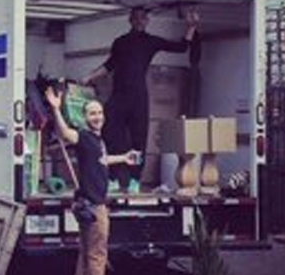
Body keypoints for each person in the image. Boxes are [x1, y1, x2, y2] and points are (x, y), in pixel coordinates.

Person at [82, 7, 199, 193]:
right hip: (118, 96)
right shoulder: (120, 42)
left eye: (142, 18)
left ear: (146, 21)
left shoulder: (151, 42)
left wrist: (191, 27)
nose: (139, 21)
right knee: (110, 135)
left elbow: (182, 47)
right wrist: (90, 77)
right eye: (136, 18)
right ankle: (112, 178)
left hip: (138, 98)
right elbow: (109, 65)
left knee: (138, 140)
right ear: (130, 20)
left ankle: (135, 180)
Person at [45, 85, 138, 275]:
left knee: (86, 253)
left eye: (99, 113)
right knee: (97, 255)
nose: (97, 117)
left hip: (87, 204)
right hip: (94, 206)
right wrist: (55, 108)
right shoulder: (85, 137)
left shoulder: (97, 140)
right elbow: (65, 134)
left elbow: (102, 160)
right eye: (92, 114)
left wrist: (123, 158)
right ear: (84, 117)